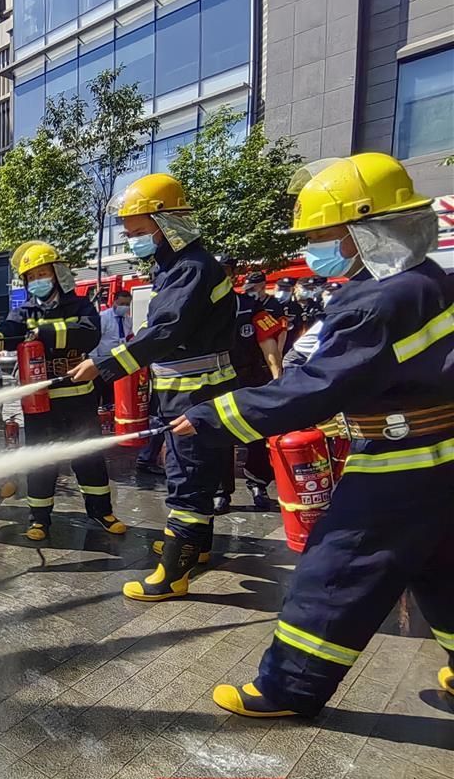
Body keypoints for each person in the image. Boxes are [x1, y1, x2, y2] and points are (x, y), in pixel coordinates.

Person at [170, 152, 454, 716]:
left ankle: (286, 688)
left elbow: (318, 388)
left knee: (335, 571)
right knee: (439, 564)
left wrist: (214, 417)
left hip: (401, 462)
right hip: (441, 459)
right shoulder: (426, 281)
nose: (313, 247)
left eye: (322, 233)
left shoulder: (379, 300)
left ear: (362, 232)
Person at [67, 172, 237, 601]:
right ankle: (195, 549)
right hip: (186, 390)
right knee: (198, 475)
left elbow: (164, 331)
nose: (134, 241)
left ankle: (172, 575)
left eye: (140, 233)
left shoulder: (193, 269)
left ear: (169, 225)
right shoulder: (179, 268)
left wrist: (104, 363)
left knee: (187, 478)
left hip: (195, 392)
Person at [0, 241, 127, 539]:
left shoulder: (80, 305)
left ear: (58, 273)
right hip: (39, 401)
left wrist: (45, 333)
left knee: (87, 457)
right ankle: (39, 519)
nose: (37, 281)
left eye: (42, 273)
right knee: (41, 459)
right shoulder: (25, 311)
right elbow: (9, 331)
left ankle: (101, 512)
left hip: (77, 395)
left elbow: (89, 334)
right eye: (31, 277)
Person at [216, 271, 282, 514]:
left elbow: (269, 342)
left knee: (256, 434)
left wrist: (277, 378)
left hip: (251, 378)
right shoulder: (201, 309)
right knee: (221, 437)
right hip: (217, 382)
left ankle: (258, 486)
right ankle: (221, 492)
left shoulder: (249, 306)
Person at [90, 288, 134, 410]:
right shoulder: (104, 317)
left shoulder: (127, 320)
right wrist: (94, 362)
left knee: (113, 394)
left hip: (118, 361)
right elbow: (95, 339)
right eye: (121, 304)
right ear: (114, 302)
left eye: (127, 304)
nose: (124, 307)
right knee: (98, 393)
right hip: (102, 360)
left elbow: (129, 337)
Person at [275, 276, 306, 352]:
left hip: (290, 347)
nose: (282, 292)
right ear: (275, 288)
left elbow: (301, 329)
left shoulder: (296, 308)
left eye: (286, 290)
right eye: (280, 289)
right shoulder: (267, 304)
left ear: (292, 290)